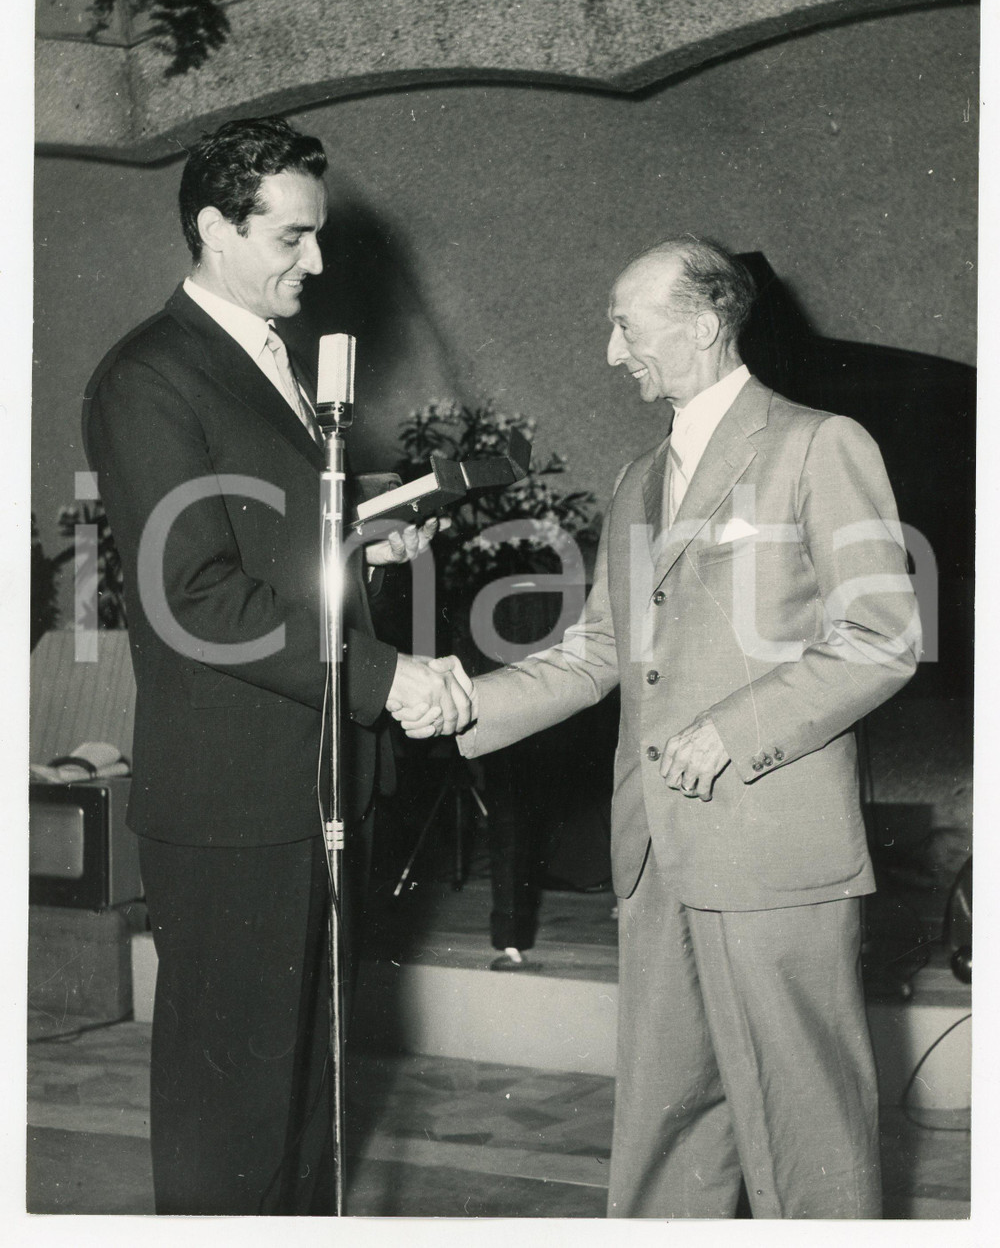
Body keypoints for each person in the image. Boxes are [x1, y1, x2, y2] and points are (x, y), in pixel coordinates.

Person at [398, 239, 921, 1218]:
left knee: (805, 1142)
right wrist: (470, 699)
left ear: (704, 322)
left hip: (769, 849)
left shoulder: (819, 444)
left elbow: (881, 638)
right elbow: (598, 651)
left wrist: (732, 730)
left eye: (623, 324)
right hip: (655, 850)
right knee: (664, 1134)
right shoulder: (641, 476)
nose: (608, 351)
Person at [82, 115, 471, 1215]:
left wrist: (360, 544)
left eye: (319, 236)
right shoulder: (153, 376)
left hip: (307, 783)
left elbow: (267, 557)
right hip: (235, 797)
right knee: (234, 1116)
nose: (317, 261)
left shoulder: (265, 362)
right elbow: (193, 593)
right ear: (214, 226)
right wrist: (380, 677)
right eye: (292, 237)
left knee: (302, 1102)